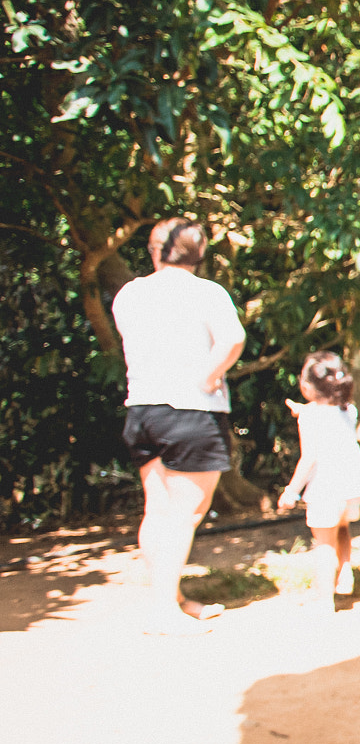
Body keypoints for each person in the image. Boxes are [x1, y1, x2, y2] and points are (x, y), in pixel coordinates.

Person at [112, 217, 245, 634]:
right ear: (200, 254)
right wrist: (208, 376)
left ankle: (168, 600)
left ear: (155, 251)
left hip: (142, 410)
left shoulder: (130, 293)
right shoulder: (207, 293)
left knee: (158, 509)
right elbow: (233, 339)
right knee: (183, 515)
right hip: (190, 411)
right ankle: (164, 613)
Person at [277, 351, 360, 605]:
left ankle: (323, 600)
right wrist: (303, 411)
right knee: (342, 528)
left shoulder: (310, 417)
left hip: (326, 489)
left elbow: (309, 458)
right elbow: (325, 415)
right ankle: (345, 573)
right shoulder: (348, 410)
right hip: (352, 488)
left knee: (323, 544)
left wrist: (291, 491)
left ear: (306, 386)